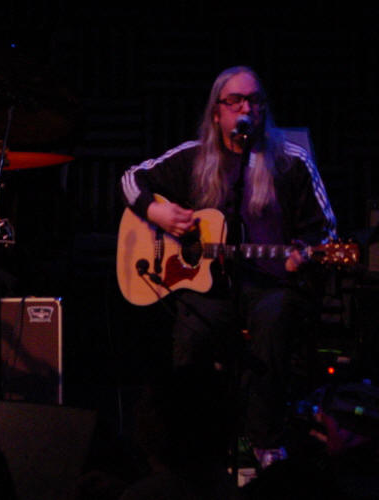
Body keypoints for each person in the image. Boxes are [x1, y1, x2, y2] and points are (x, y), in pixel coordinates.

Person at [120, 66, 337, 471]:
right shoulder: (193, 156)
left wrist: (303, 253)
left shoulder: (291, 161)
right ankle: (187, 448)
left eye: (254, 101)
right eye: (234, 100)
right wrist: (158, 212)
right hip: (209, 287)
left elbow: (324, 230)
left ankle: (265, 444)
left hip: (271, 284)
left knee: (272, 323)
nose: (246, 108)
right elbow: (131, 179)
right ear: (216, 112)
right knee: (191, 334)